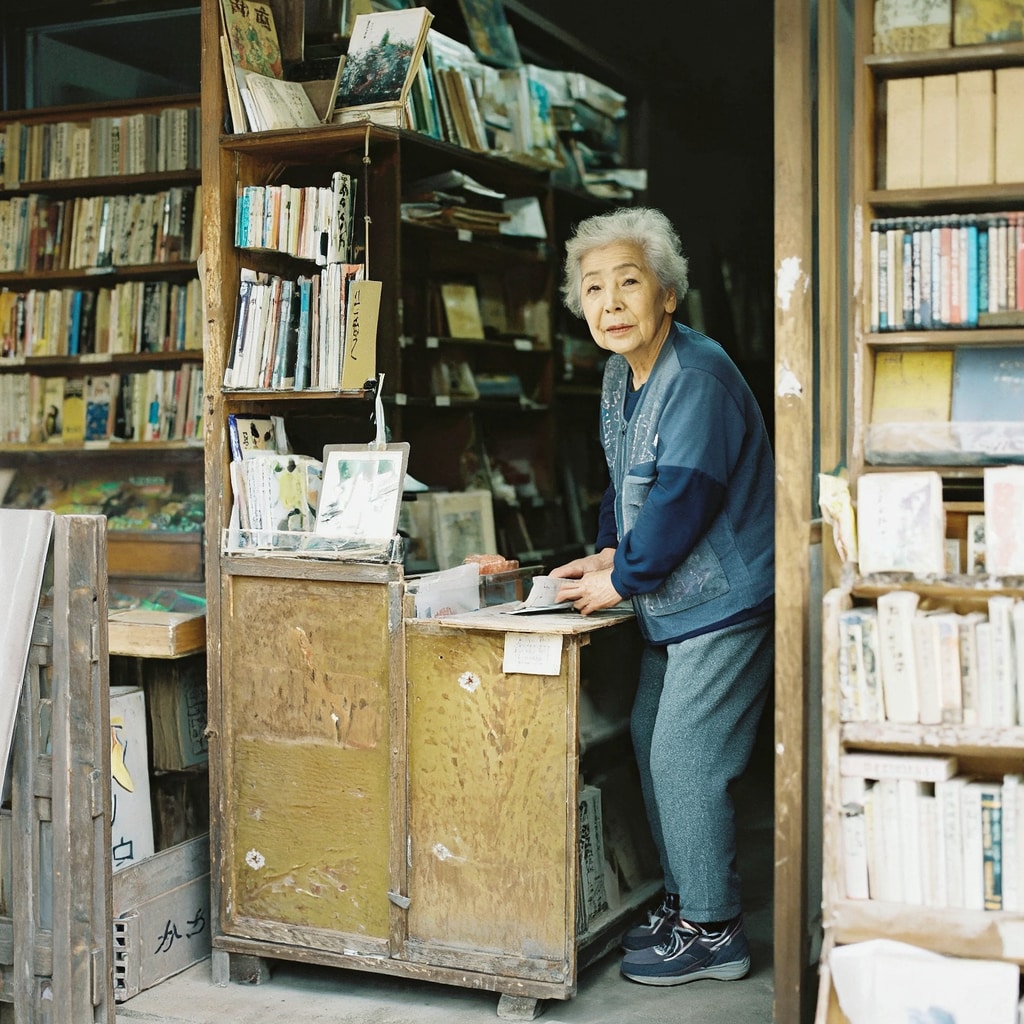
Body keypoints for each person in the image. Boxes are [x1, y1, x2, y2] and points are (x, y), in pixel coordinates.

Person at [550, 207, 774, 987]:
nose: (609, 303)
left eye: (629, 283)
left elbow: (681, 499)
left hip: (726, 599)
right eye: (593, 288)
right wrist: (613, 550)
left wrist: (621, 577)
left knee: (685, 756)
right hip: (670, 598)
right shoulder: (621, 373)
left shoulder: (699, 374)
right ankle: (688, 902)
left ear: (667, 295)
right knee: (650, 738)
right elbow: (625, 484)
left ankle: (716, 931)